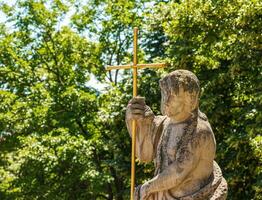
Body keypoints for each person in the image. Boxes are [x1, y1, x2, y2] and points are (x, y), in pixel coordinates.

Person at [126, 70, 227, 200]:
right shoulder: (164, 123)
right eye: (164, 94)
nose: (166, 101)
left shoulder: (200, 131)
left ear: (191, 98)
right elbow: (145, 154)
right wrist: (137, 120)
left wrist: (146, 188)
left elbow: (178, 172)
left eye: (173, 96)